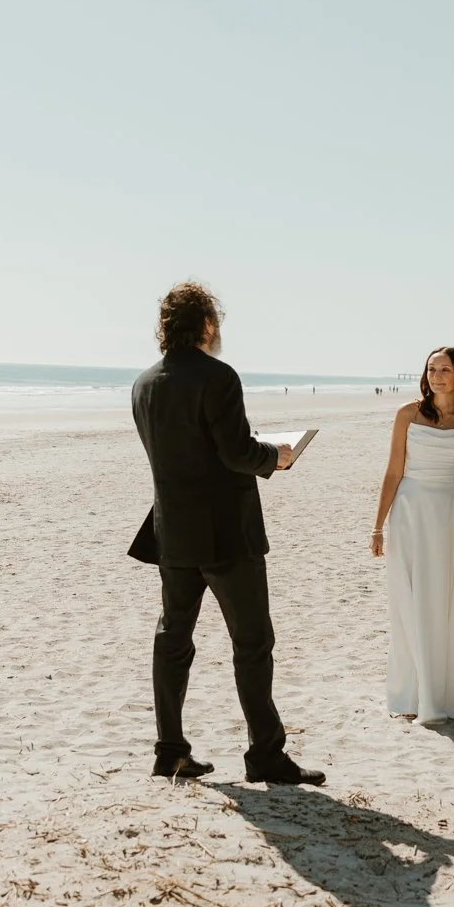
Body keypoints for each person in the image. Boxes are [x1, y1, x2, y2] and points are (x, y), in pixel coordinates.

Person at [128, 281, 324, 787]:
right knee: (253, 642)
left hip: (172, 532)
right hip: (226, 533)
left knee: (173, 640)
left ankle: (170, 750)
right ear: (208, 325)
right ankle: (265, 755)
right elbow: (236, 452)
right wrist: (275, 456)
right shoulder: (218, 376)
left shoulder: (144, 384)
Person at [371, 348, 454, 723]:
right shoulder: (408, 414)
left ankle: (448, 689)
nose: (437, 375)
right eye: (431, 369)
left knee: (450, 599)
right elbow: (393, 473)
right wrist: (378, 525)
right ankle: (417, 691)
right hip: (411, 512)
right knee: (413, 600)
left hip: (451, 512)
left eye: (445, 369)